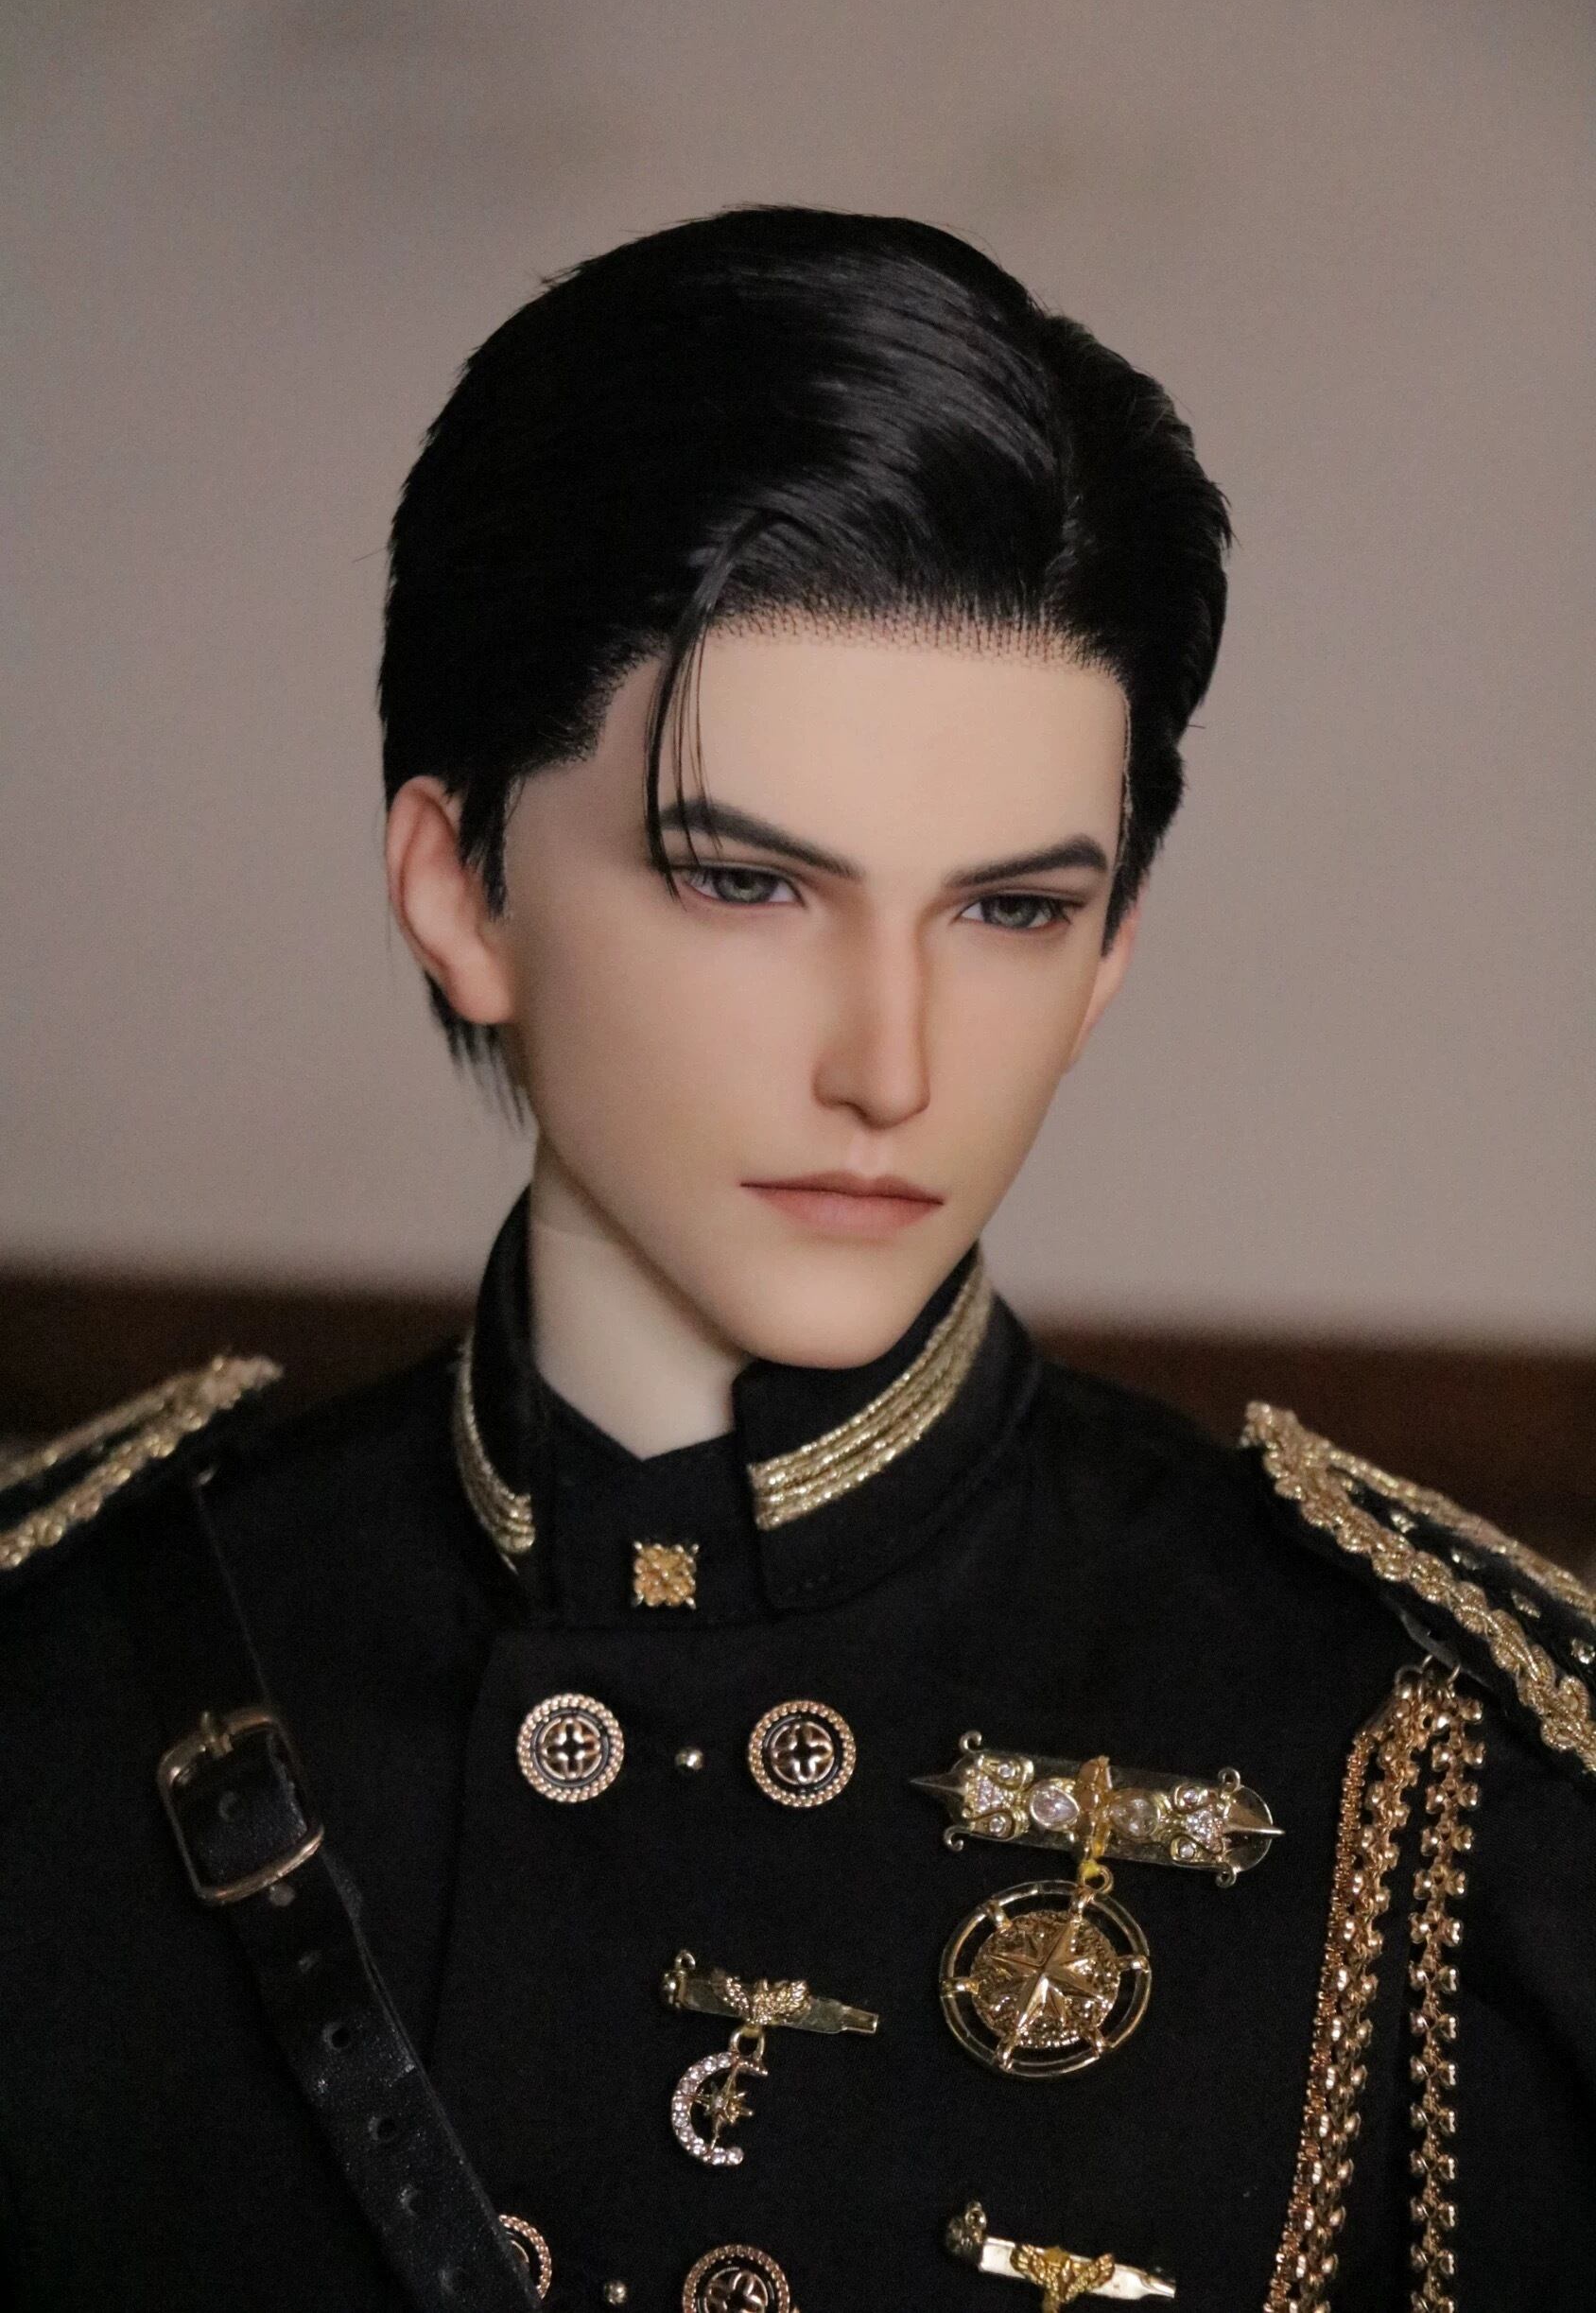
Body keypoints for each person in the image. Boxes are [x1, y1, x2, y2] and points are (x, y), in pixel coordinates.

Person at [1, 205, 1591, 2313]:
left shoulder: (1444, 1792)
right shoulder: (62, 1686)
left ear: (1113, 951)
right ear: (460, 888)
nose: (891, 1065)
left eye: (1011, 911)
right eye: (745, 884)